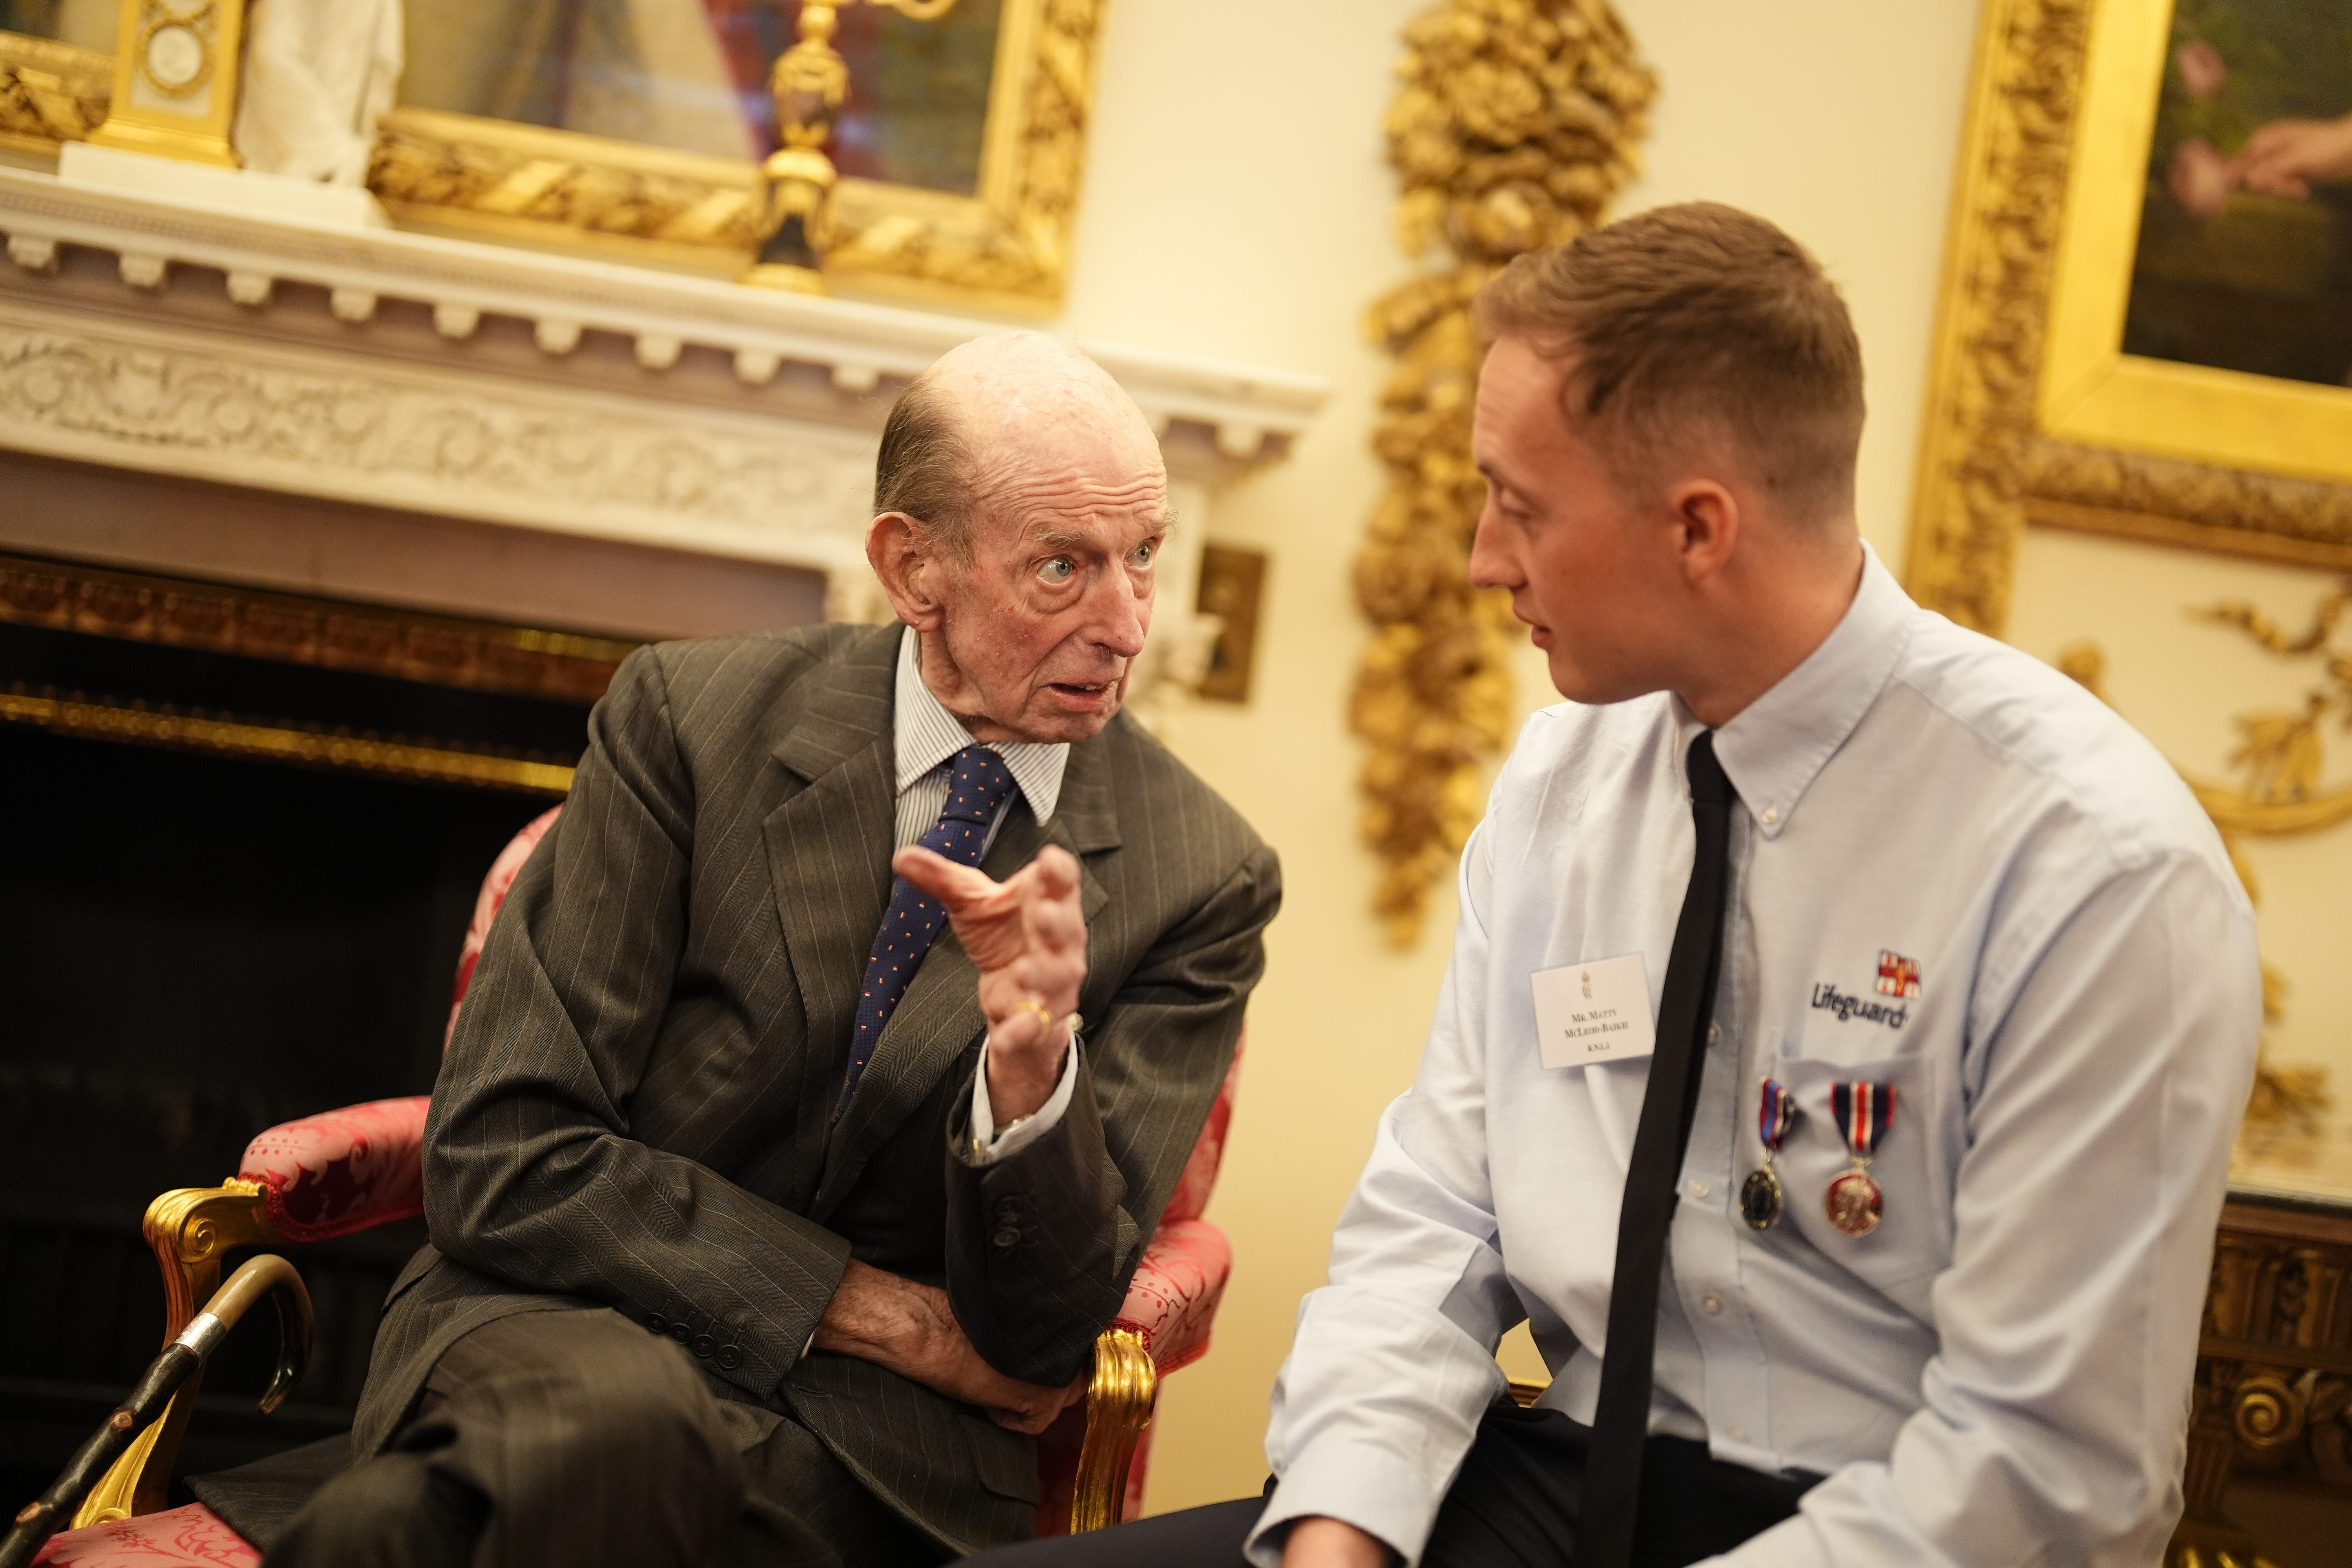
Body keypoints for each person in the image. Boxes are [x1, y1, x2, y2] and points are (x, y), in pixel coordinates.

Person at [971, 203, 2261, 1568]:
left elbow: (2049, 1475)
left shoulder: (2094, 872)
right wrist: (1342, 1534)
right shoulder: (1565, 781)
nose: (1482, 558)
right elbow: (1435, 1215)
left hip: (1877, 1517)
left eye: (1520, 507)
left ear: (1699, 527)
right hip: (1556, 1470)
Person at [226, 331, 1280, 1567]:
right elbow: (503, 1148)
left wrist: (1029, 1071)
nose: (1126, 625)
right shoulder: (689, 720)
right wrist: (878, 1312)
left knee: (455, 1512)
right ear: (912, 566)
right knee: (621, 1423)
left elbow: (1043, 1344)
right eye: (1063, 566)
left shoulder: (1199, 873)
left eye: (1144, 557)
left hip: (872, 1458)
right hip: (555, 1324)